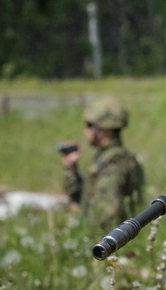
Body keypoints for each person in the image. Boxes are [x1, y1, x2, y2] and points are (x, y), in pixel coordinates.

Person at [61, 96, 145, 231]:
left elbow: (111, 215)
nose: (85, 132)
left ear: (105, 129)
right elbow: (82, 199)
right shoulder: (106, 159)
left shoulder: (113, 163)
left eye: (90, 126)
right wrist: (72, 168)